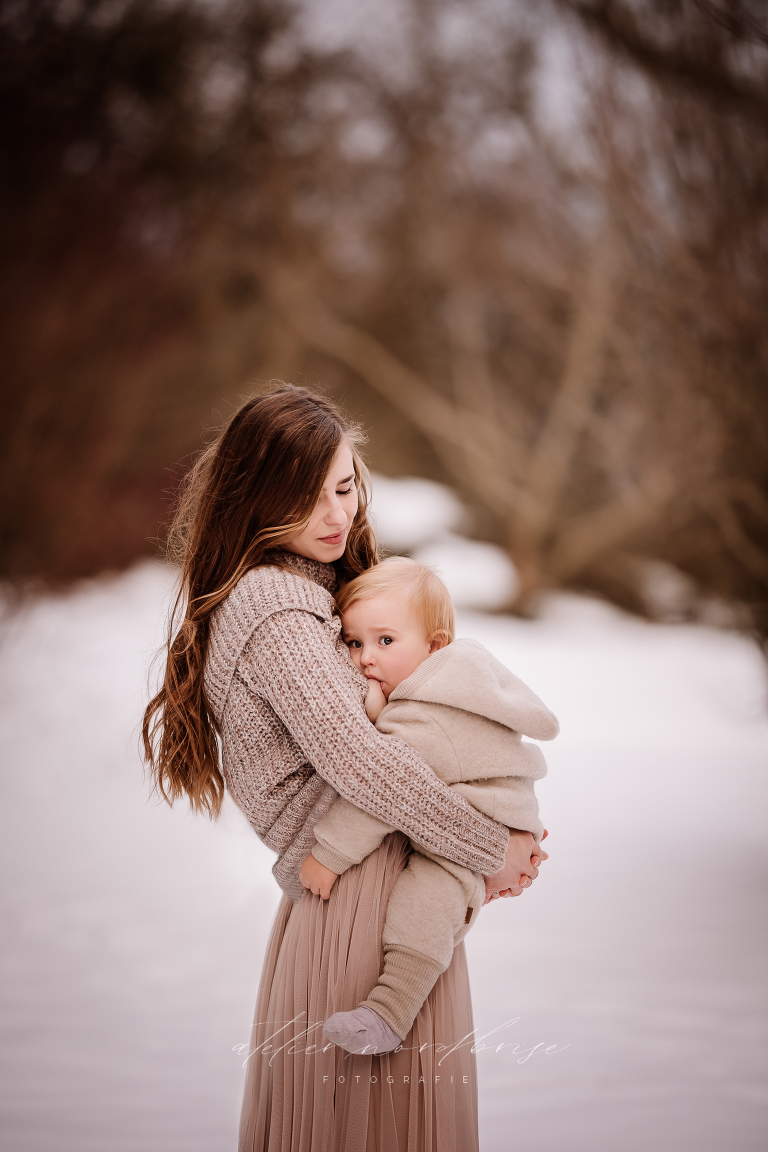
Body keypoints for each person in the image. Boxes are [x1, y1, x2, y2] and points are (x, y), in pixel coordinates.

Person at [142, 384, 546, 1152]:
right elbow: (364, 764)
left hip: (387, 892)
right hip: (356, 903)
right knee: (368, 1128)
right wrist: (491, 848)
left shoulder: (320, 591)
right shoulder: (277, 607)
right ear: (253, 500)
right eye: (305, 499)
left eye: (343, 486)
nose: (336, 517)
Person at [300, 557, 556, 1056]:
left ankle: (389, 1015)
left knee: (426, 903)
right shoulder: (447, 685)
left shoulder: (427, 717)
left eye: (385, 641)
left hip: (482, 822)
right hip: (490, 811)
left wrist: (328, 854)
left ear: (434, 645)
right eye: (354, 643)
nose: (364, 659)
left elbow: (380, 792)